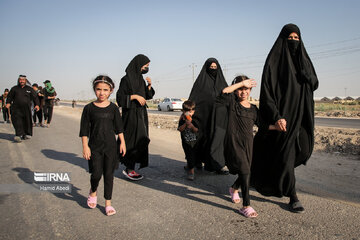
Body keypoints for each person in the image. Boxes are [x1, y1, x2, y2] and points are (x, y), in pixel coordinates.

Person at [251, 24, 319, 213]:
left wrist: (306, 75)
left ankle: (265, 176)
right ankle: (293, 196)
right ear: (283, 39)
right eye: (290, 38)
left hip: (302, 117)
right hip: (283, 119)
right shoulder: (274, 61)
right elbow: (267, 92)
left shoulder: (303, 59)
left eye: (297, 38)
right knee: (287, 155)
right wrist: (276, 116)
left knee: (303, 150)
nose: (294, 42)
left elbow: (315, 83)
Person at [80, 75, 126, 216]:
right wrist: (85, 146)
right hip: (94, 147)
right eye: (98, 89)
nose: (102, 93)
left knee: (108, 175)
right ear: (94, 90)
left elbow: (119, 128)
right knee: (96, 174)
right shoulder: (88, 108)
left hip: (111, 147)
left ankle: (108, 203)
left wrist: (122, 142)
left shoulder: (113, 108)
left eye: (105, 90)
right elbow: (84, 130)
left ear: (111, 91)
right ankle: (93, 191)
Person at [216, 75, 260, 217]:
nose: (243, 92)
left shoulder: (253, 108)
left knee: (246, 171)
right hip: (233, 141)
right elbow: (224, 92)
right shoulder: (232, 104)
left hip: (248, 143)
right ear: (236, 90)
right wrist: (241, 82)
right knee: (245, 170)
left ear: (250, 90)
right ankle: (246, 205)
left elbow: (262, 125)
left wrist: (277, 126)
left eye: (246, 89)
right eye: (240, 89)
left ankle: (234, 188)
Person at [116, 54, 155, 180]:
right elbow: (120, 98)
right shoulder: (126, 80)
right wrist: (134, 97)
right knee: (131, 140)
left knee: (140, 140)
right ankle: (129, 168)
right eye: (145, 66)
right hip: (131, 115)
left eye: (148, 66)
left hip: (141, 115)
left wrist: (149, 86)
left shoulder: (140, 80)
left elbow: (147, 96)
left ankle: (129, 166)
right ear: (138, 65)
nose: (147, 68)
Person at [188, 58, 228, 174]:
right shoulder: (200, 83)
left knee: (217, 141)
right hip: (202, 119)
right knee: (201, 141)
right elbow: (192, 100)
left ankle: (217, 166)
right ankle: (196, 162)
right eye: (211, 67)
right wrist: (187, 115)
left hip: (217, 120)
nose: (213, 70)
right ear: (206, 68)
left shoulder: (222, 83)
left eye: (215, 68)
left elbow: (227, 98)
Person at [6, 75, 40, 142]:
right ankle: (18, 135)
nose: (22, 81)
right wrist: (8, 103)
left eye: (23, 80)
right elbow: (9, 97)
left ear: (25, 81)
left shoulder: (29, 89)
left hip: (26, 108)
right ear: (19, 80)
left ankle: (25, 134)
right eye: (20, 80)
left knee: (26, 121)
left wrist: (37, 105)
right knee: (17, 121)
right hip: (16, 108)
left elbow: (35, 97)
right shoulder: (14, 88)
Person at [178, 100, 199, 180]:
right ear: (183, 111)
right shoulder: (182, 119)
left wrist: (192, 126)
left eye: (192, 111)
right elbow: (180, 129)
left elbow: (197, 130)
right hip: (186, 141)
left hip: (195, 141)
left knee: (192, 155)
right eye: (187, 112)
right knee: (188, 154)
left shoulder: (195, 119)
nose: (190, 114)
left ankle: (190, 168)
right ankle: (190, 168)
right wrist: (185, 124)